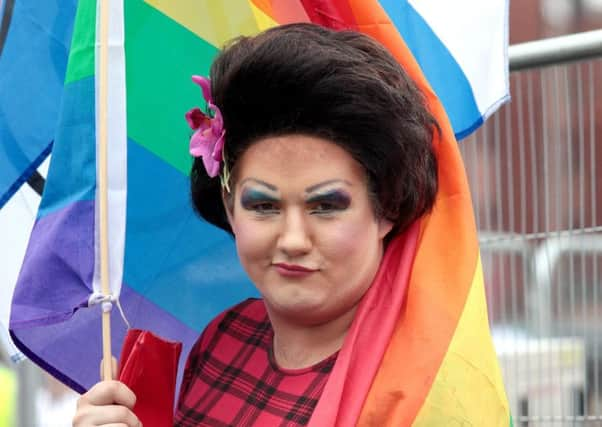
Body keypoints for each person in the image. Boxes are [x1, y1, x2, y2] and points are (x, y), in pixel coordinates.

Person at [73, 23, 438, 426]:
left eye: (326, 206)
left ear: (386, 206)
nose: (294, 240)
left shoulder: (422, 388)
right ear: (229, 206)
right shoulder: (225, 338)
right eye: (263, 205)